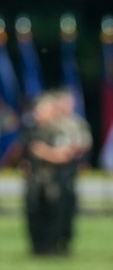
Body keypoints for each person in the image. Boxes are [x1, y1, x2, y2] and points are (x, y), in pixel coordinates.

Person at [20, 89, 92, 255]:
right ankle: (39, 246)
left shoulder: (61, 128)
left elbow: (67, 151)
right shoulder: (33, 130)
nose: (38, 114)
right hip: (37, 179)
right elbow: (29, 150)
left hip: (58, 179)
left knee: (58, 213)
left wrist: (47, 152)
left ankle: (56, 245)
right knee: (35, 213)